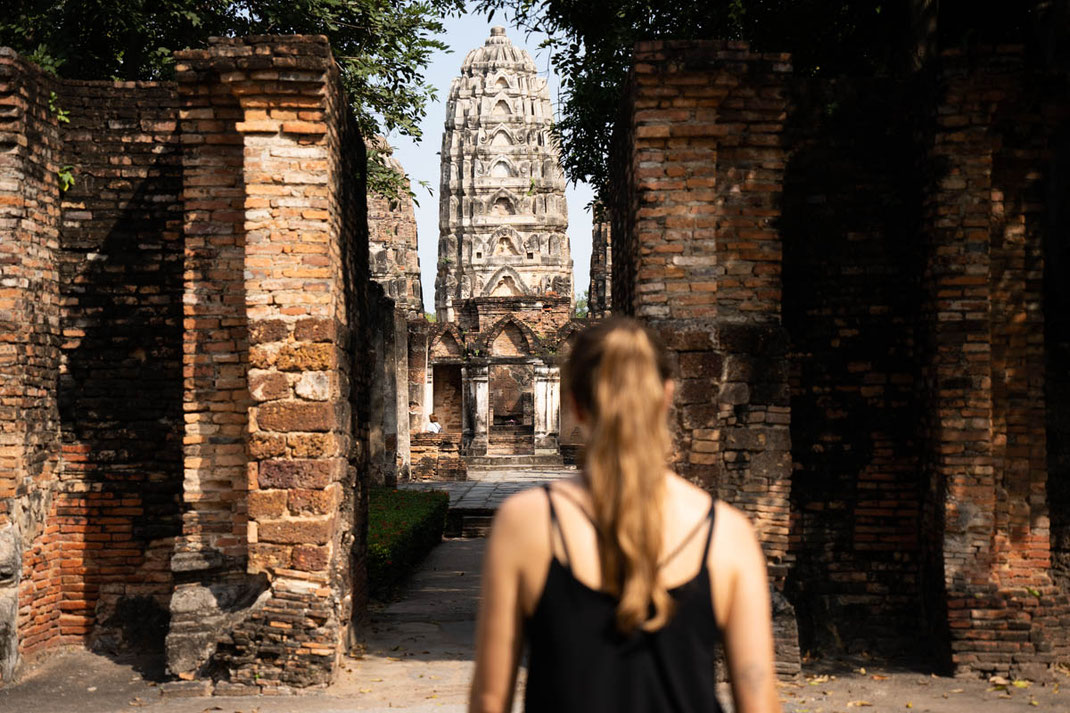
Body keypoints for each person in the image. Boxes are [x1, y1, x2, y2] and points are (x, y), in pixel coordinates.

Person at [469, 317, 781, 713]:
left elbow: (489, 700)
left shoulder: (526, 523)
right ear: (667, 395)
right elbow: (759, 702)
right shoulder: (728, 534)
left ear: (575, 403)